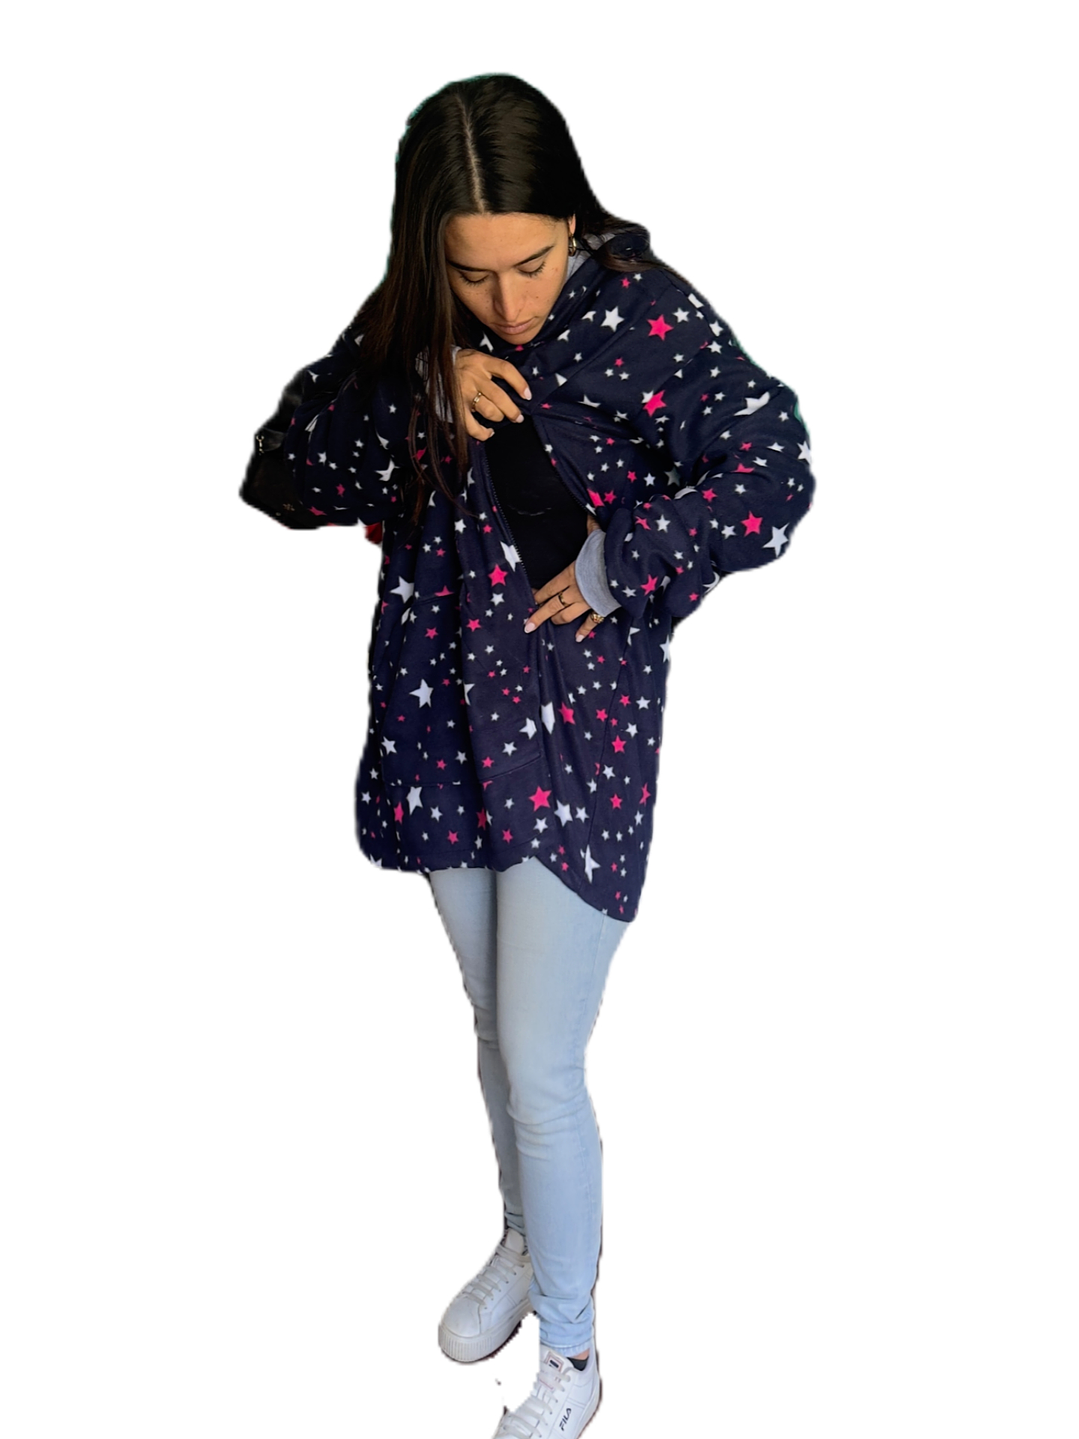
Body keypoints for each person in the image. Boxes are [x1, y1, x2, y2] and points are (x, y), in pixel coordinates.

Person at [245, 73, 815, 1439]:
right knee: (495, 1029)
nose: (506, 302)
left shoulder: (643, 315)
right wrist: (418, 392)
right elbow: (282, 470)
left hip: (575, 736)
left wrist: (628, 558)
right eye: (472, 272)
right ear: (429, 249)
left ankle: (572, 1346)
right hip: (442, 721)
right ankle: (521, 1234)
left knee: (544, 1060)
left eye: (533, 262)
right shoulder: (413, 333)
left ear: (572, 219)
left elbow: (774, 464)